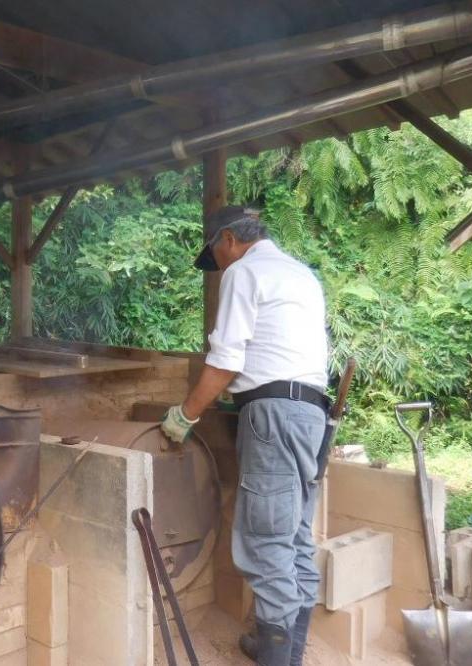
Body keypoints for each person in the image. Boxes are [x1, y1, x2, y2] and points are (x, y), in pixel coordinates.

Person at [161, 206, 329, 666]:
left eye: (217, 253)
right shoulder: (300, 275)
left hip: (272, 415)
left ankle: (279, 658)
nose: (218, 264)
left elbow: (227, 361)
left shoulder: (245, 271)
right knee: (293, 536)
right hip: (312, 415)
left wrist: (185, 415)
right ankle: (286, 650)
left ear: (230, 239)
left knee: (266, 540)